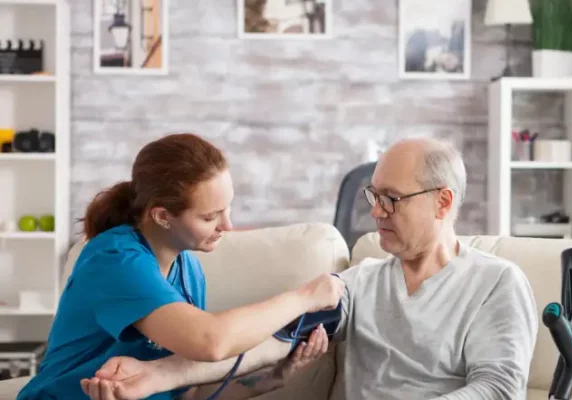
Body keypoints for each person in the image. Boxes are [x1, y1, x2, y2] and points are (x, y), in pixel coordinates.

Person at [82, 136, 539, 399]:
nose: (376, 211)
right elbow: (277, 338)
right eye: (373, 196)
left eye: (391, 199)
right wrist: (164, 374)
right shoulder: (360, 284)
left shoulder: (495, 283)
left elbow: (498, 389)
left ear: (443, 201)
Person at [17, 133, 345, 400]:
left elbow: (189, 393)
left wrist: (274, 377)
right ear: (162, 216)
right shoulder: (115, 260)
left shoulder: (188, 270)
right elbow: (211, 341)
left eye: (227, 209)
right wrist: (305, 297)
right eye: (209, 216)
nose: (227, 225)